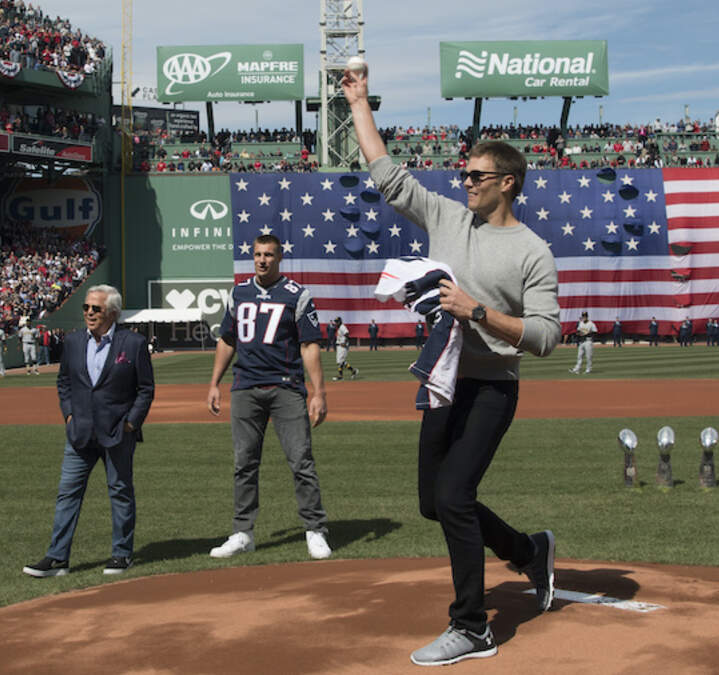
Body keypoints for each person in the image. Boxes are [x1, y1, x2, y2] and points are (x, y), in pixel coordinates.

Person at [345, 65, 561, 666]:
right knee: (432, 502)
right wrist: (360, 101)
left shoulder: (532, 252)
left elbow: (546, 335)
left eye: (477, 175)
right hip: (444, 383)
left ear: (509, 183)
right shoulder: (447, 216)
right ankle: (528, 550)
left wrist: (478, 312)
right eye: (464, 173)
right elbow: (387, 175)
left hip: (492, 389)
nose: (464, 180)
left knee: (456, 495)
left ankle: (472, 628)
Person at [205, 234, 332, 562]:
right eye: (258, 254)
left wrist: (319, 392)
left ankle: (314, 529)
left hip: (286, 387)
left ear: (279, 258)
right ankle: (243, 533)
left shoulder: (297, 295)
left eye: (269, 255)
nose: (262, 260)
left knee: (301, 460)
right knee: (243, 463)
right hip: (245, 387)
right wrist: (214, 382)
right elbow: (227, 339)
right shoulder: (239, 292)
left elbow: (309, 344)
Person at [23, 285, 155, 578]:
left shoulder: (132, 343)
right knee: (67, 493)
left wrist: (131, 423)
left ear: (113, 313)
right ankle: (58, 558)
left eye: (96, 308)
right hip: (80, 432)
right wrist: (69, 414)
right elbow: (64, 382)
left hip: (117, 433)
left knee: (120, 491)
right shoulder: (72, 342)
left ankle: (122, 554)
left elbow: (145, 389)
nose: (89, 313)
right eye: (86, 308)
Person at [333, 317, 360, 381]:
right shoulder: (339, 328)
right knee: (340, 361)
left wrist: (345, 343)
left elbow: (347, 334)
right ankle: (353, 371)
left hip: (343, 346)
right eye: (335, 322)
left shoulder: (342, 327)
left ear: (340, 322)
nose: (335, 323)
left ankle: (341, 376)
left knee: (340, 361)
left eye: (337, 322)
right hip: (339, 346)